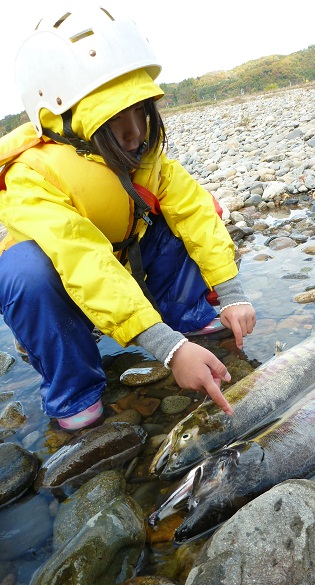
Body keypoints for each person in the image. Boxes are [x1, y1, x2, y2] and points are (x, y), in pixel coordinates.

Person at [0, 4, 256, 431]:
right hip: (67, 292)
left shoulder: (146, 160)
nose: (136, 131)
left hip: (128, 265)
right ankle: (74, 391)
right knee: (22, 271)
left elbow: (195, 215)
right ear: (63, 119)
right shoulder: (33, 176)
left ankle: (187, 317)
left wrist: (232, 291)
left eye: (140, 110)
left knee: (197, 209)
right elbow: (85, 263)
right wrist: (168, 351)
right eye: (115, 118)